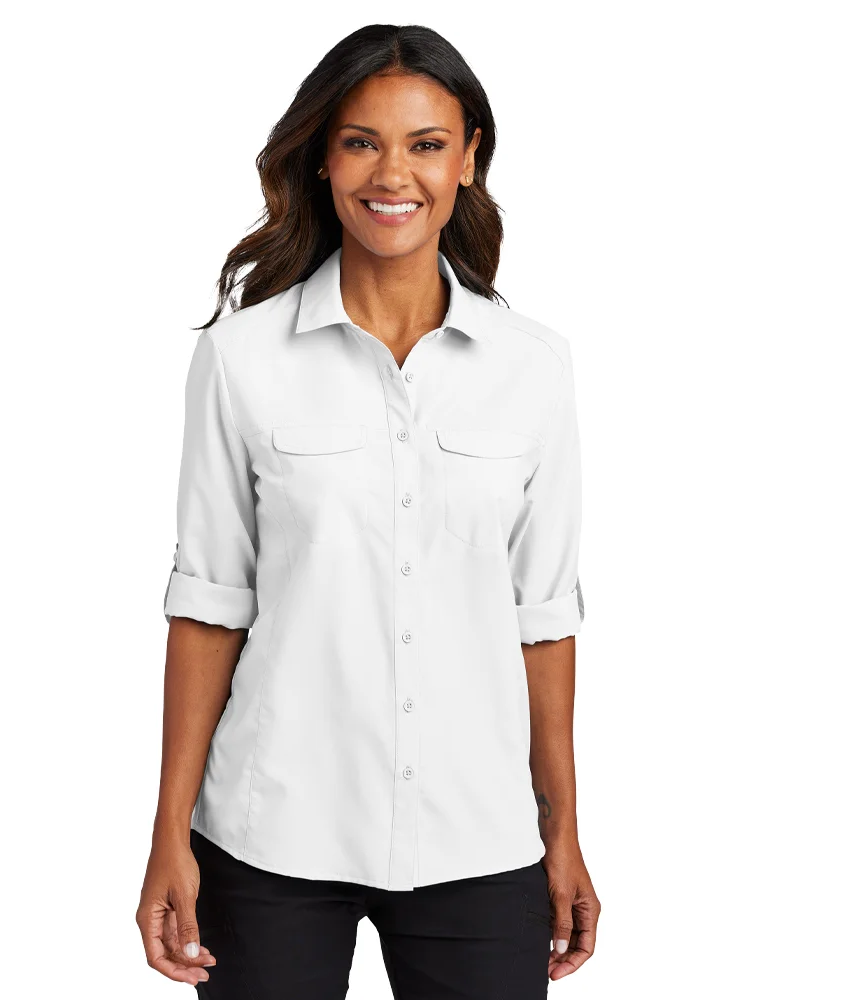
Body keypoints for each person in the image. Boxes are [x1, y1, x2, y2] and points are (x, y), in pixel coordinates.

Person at [136, 23, 601, 999]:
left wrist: (562, 830)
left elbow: (544, 616)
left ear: (468, 158)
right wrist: (169, 831)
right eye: (360, 141)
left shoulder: (534, 368)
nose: (393, 174)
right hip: (271, 833)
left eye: (426, 143)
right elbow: (209, 603)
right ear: (321, 158)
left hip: (479, 837)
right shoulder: (240, 359)